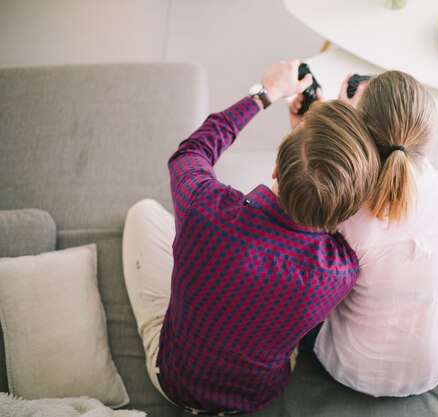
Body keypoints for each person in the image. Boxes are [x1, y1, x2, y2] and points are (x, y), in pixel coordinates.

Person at [121, 59, 380, 414]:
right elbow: (336, 206)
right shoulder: (338, 272)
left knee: (143, 212)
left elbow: (192, 152)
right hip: (257, 395)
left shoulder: (203, 209)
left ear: (275, 166)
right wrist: (334, 140)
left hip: (176, 380)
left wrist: (265, 94)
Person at [292, 70, 438, 397]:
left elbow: (303, 198)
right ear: (431, 130)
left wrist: (324, 130)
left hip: (347, 367)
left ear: (360, 135)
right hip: (435, 369)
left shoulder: (346, 215)